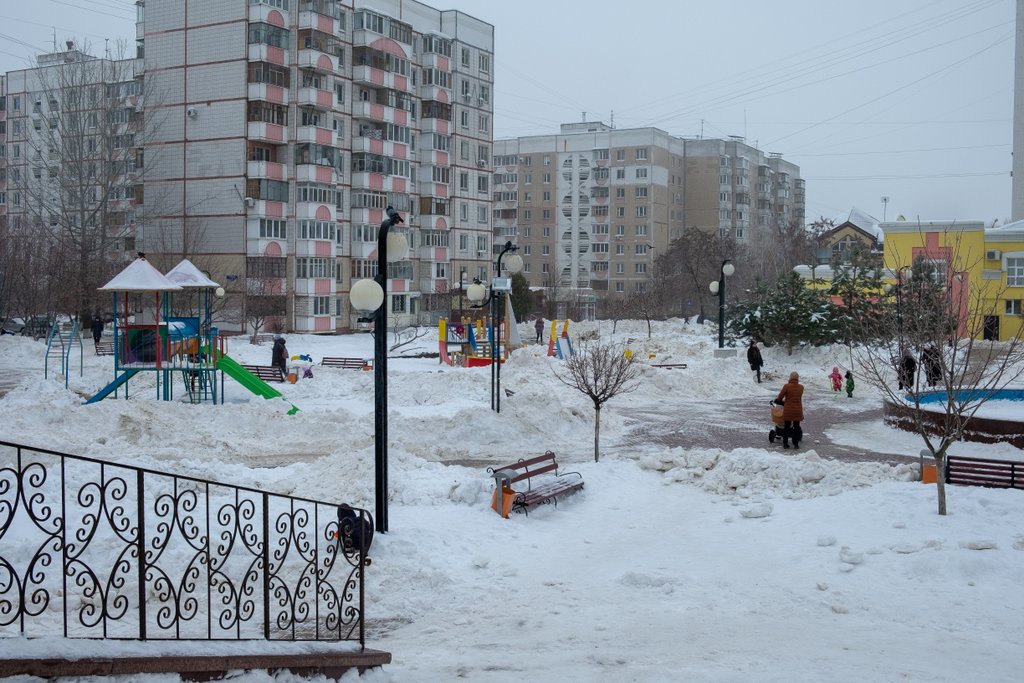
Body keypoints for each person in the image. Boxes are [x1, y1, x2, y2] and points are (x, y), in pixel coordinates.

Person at [775, 371, 804, 449]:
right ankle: (796, 444)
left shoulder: (786, 386)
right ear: (798, 378)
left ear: (790, 378)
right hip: (798, 410)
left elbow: (780, 397)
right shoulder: (801, 387)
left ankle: (785, 444)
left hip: (788, 410)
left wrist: (779, 401)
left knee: (787, 427)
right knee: (796, 427)